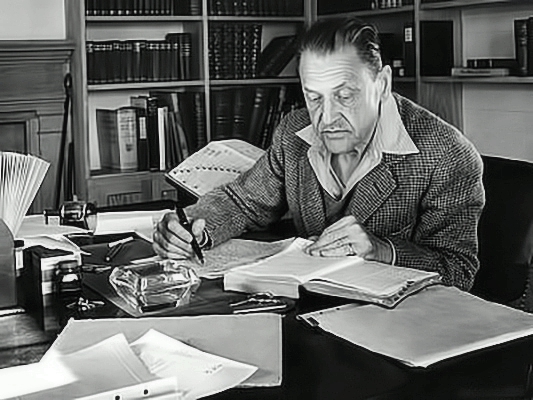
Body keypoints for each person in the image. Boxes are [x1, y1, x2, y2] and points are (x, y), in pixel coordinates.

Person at [153, 17, 485, 291]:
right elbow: (244, 201)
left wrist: (382, 249)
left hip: (399, 332)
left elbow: (458, 270)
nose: (326, 118)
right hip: (310, 308)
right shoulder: (294, 131)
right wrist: (193, 227)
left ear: (382, 84)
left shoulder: (446, 154)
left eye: (344, 95)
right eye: (314, 97)